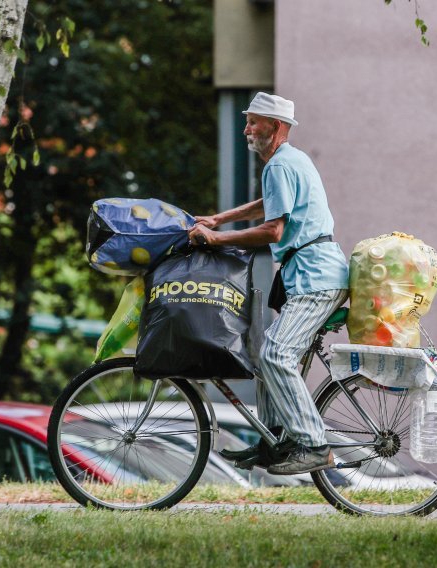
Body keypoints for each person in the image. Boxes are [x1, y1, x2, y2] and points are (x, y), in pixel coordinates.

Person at [188, 92, 349, 474]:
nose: (246, 129)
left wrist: (217, 239)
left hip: (316, 278)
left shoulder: (279, 165)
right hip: (316, 274)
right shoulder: (292, 160)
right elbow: (269, 204)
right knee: (266, 356)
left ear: (275, 128)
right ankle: (275, 440)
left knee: (276, 355)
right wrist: (219, 218)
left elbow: (274, 229)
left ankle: (313, 444)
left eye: (253, 122)